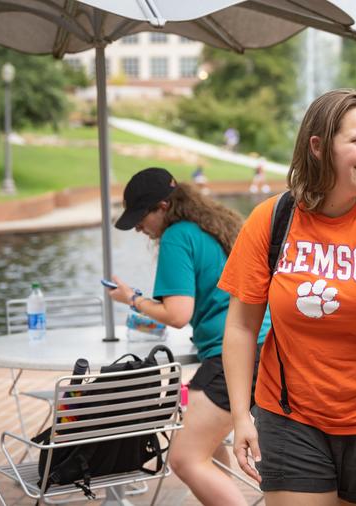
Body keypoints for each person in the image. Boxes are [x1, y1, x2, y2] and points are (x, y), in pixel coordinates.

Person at [219, 89, 356, 505]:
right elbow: (241, 326)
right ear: (318, 146)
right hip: (289, 416)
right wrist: (240, 415)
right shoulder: (272, 219)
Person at [108, 167, 270, 506]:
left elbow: (178, 314)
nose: (138, 227)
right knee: (204, 449)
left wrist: (132, 299)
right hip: (267, 345)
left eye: (141, 216)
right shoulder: (214, 226)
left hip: (234, 352)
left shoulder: (177, 235)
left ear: (164, 207)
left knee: (184, 457)